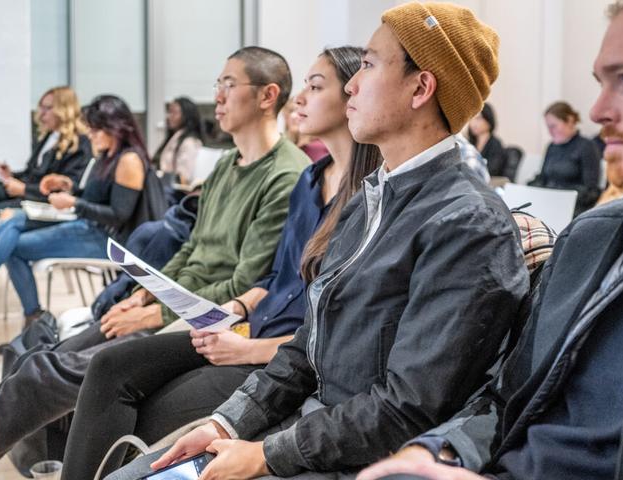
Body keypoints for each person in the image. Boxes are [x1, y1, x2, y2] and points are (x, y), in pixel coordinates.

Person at [131, 3, 528, 479]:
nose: (352, 85)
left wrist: (265, 455)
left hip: (353, 459)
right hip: (306, 431)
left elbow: (407, 409)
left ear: (421, 88)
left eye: (368, 64)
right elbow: (308, 345)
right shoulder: (368, 199)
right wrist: (227, 422)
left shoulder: (468, 223)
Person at [359, 0, 623, 479]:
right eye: (601, 83)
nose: (598, 111)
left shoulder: (466, 218)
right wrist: (438, 453)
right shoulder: (592, 238)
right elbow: (508, 394)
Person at [60, 45, 383, 480]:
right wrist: (237, 309)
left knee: (149, 405)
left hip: (278, 354)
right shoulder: (310, 180)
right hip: (255, 330)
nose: (299, 98)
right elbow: (276, 277)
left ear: (353, 96)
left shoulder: (369, 200)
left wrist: (248, 344)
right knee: (108, 365)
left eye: (315, 86)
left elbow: (330, 332)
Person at [0, 46, 309, 470]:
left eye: (228, 85)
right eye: (218, 85)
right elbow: (192, 247)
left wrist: (155, 313)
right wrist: (143, 296)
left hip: (205, 319)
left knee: (42, 375)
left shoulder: (287, 174)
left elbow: (242, 282)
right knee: (39, 360)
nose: (217, 96)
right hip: (174, 303)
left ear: (268, 95)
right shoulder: (228, 164)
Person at [0, 94, 147, 320]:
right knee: (13, 227)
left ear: (114, 128)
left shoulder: (127, 161)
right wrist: (69, 187)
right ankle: (33, 317)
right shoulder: (108, 156)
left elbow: (118, 215)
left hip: (104, 239)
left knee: (13, 241)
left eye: (94, 130)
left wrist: (74, 202)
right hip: (88, 228)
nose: (90, 134)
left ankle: (33, 317)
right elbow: (97, 197)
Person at [0, 86, 92, 226]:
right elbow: (32, 172)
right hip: (27, 190)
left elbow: (67, 187)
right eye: (41, 107)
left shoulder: (79, 143)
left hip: (40, 199)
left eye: (48, 108)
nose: (41, 113)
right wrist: (10, 175)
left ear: (64, 110)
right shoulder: (48, 136)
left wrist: (23, 189)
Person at [528, 101, 601, 216]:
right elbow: (542, 178)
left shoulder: (587, 146)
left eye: (553, 126)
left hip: (572, 208)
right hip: (549, 203)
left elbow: (591, 190)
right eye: (548, 127)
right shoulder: (552, 146)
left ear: (569, 121)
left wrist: (558, 196)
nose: (550, 132)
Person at [151, 96, 204, 186]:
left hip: (175, 193)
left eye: (174, 112)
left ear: (187, 116)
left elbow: (183, 178)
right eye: (168, 112)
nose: (168, 116)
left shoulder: (190, 142)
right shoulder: (173, 138)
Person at [282, 96, 330, 162]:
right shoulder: (290, 147)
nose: (293, 116)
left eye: (298, 111)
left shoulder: (316, 148)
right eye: (290, 111)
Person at [467, 103, 506, 178]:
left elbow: (492, 171)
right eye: (471, 118)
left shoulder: (496, 144)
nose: (473, 123)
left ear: (488, 120)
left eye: (478, 118)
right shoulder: (469, 143)